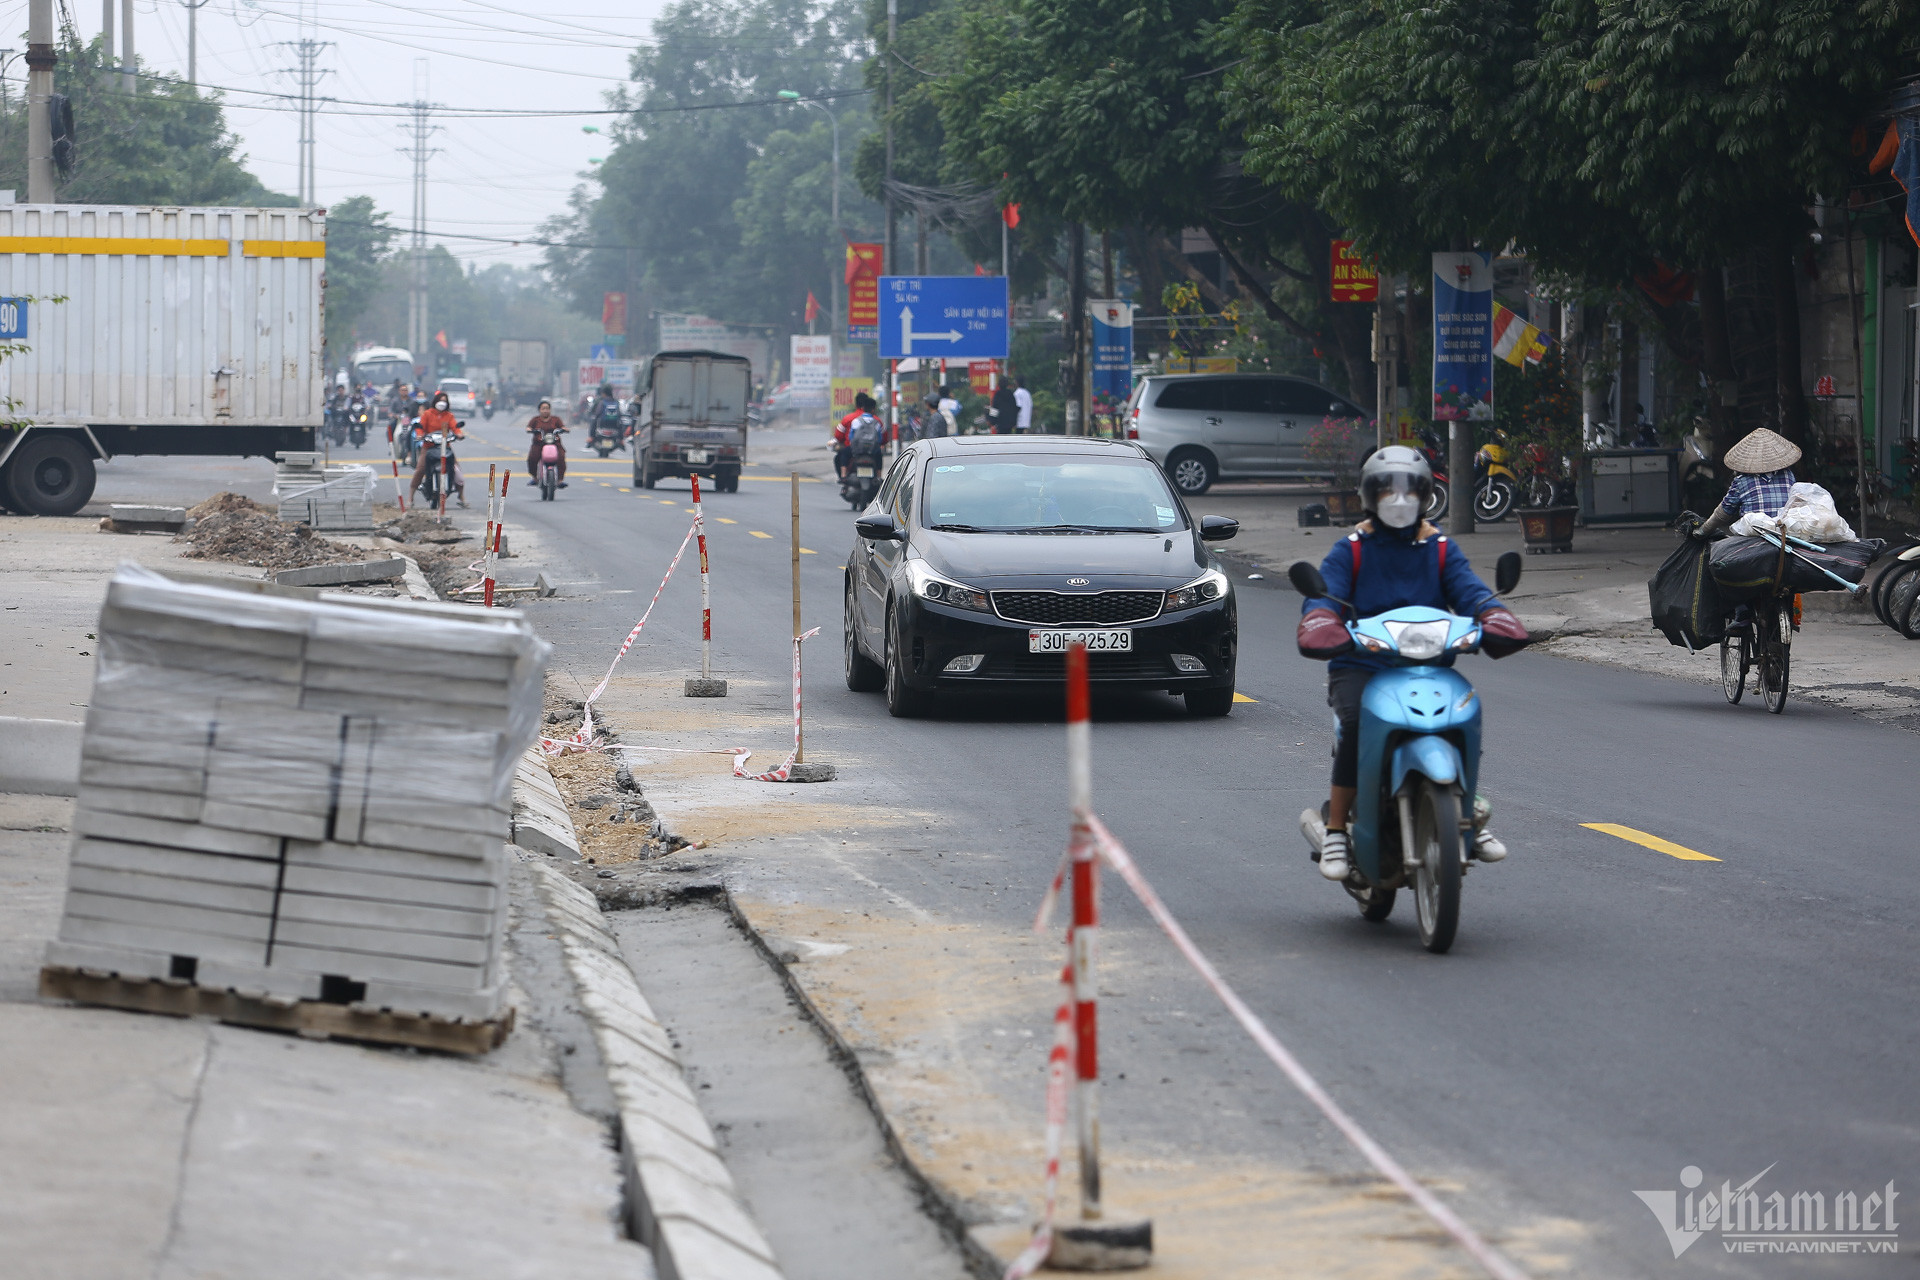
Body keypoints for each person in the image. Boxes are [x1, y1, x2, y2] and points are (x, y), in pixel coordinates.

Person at [1295, 446, 1530, 881]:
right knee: (1353, 723)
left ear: (1424, 495)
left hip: (1429, 665)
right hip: (1362, 665)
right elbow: (1323, 597)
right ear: (1370, 495)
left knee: (1463, 711)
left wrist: (1494, 616)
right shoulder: (1351, 550)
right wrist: (1320, 620)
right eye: (1387, 489)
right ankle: (1335, 831)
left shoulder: (1440, 549)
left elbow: (1472, 593)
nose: (1398, 499)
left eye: (1409, 490)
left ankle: (1464, 810)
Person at [1690, 426, 1801, 539]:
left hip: (1754, 535)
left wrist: (1703, 530)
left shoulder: (1741, 481)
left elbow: (1723, 513)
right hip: (1784, 533)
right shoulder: (1788, 475)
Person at [409, 390, 467, 507]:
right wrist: (420, 434)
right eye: (440, 400)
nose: (442, 403)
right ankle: (410, 498)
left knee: (457, 471)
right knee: (420, 469)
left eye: (445, 401)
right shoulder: (427, 414)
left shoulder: (449, 416)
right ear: (435, 401)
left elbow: (455, 427)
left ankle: (461, 497)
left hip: (445, 447)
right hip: (428, 447)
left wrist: (459, 434)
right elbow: (420, 427)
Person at [525, 399, 569, 488]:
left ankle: (560, 480)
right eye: (543, 408)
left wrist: (564, 429)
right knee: (532, 458)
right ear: (539, 410)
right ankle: (535, 478)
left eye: (547, 408)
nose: (545, 410)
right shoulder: (535, 420)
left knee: (561, 457)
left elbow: (563, 427)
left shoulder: (556, 419)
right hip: (539, 444)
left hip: (554, 443)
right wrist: (531, 430)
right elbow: (528, 428)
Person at [834, 392, 879, 476]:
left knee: (839, 457)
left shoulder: (848, 419)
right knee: (879, 457)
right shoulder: (876, 420)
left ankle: (843, 477)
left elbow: (838, 436)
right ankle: (879, 477)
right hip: (872, 450)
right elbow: (883, 438)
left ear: (856, 405)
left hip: (853, 451)